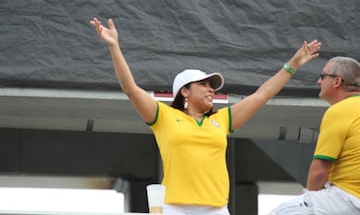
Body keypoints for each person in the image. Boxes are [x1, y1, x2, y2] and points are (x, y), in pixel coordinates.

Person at [90, 17, 321, 215]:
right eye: (203, 84)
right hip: (174, 208)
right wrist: (114, 47)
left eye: (212, 86)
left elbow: (262, 95)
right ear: (184, 91)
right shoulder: (164, 116)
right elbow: (131, 89)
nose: (211, 89)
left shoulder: (221, 120)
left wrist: (293, 64)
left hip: (216, 208)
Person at [269, 56, 360, 215]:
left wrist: (310, 195)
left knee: (280, 212)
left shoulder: (340, 111)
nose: (319, 81)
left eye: (322, 76)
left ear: (337, 82)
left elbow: (319, 171)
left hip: (349, 198)